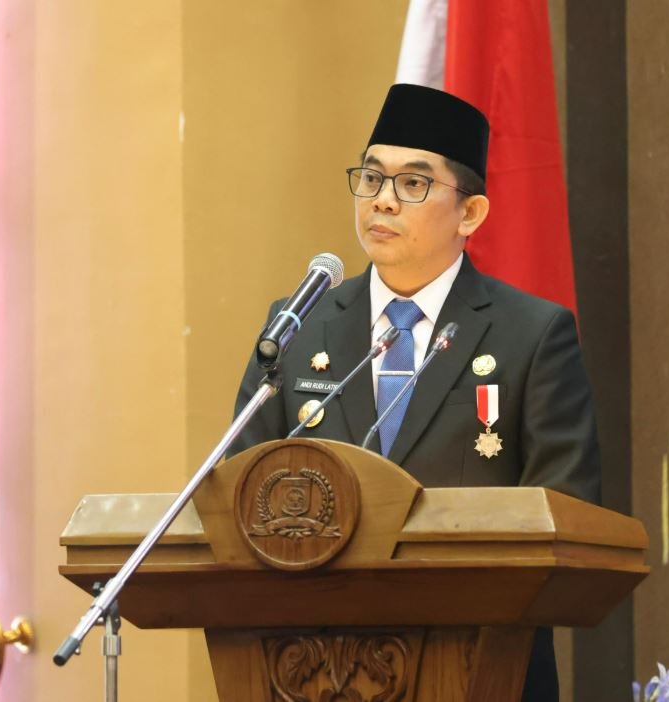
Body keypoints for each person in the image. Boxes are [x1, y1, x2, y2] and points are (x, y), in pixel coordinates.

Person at [229, 83, 601, 702]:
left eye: (413, 184)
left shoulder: (532, 336)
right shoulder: (296, 328)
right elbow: (238, 488)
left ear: (470, 213)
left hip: (482, 665)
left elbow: (566, 514)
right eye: (372, 178)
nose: (383, 200)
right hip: (313, 669)